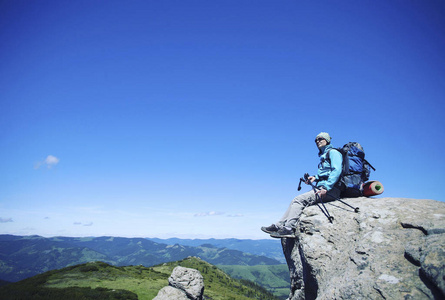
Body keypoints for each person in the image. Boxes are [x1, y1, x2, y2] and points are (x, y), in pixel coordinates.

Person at [261, 132, 343, 238]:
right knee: (295, 200)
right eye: (316, 140)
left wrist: (326, 187)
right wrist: (315, 178)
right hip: (323, 187)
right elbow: (327, 172)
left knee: (299, 200)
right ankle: (279, 226)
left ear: (327, 140)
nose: (317, 141)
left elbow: (337, 171)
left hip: (332, 189)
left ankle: (289, 229)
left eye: (320, 139)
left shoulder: (333, 152)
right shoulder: (324, 156)